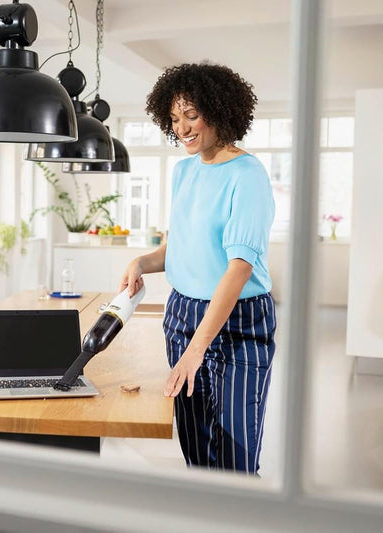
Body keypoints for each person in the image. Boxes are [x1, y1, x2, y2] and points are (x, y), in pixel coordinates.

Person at [119, 62, 276, 474]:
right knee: (196, 449)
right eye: (174, 119)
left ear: (220, 111)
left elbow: (239, 267)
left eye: (192, 114)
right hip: (182, 313)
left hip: (237, 321)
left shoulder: (248, 175)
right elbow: (179, 247)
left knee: (234, 459)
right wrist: (141, 261)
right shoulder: (184, 171)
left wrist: (197, 349)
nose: (183, 128)